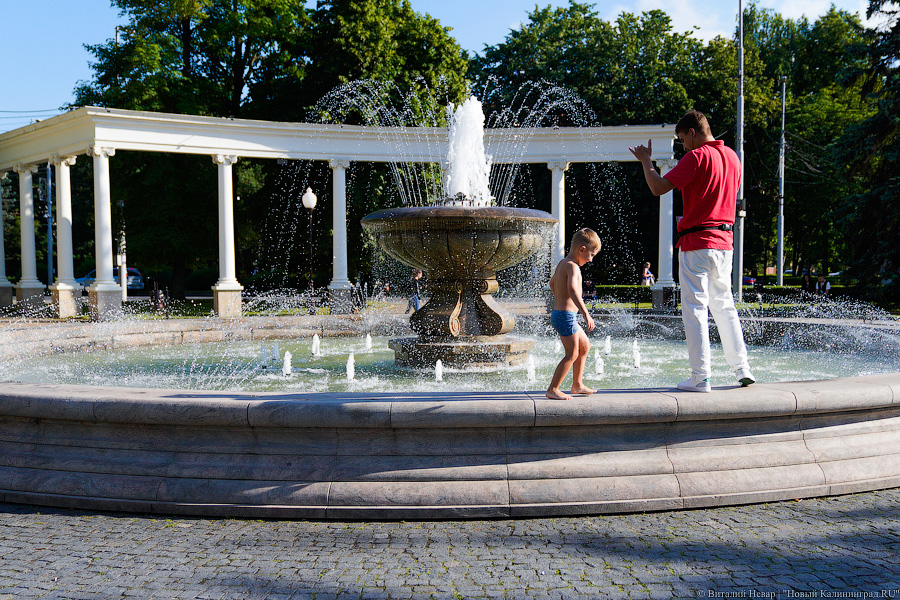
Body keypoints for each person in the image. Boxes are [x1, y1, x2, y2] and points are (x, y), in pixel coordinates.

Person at [629, 109, 755, 392]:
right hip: (725, 244)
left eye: (682, 139)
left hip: (697, 243)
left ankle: (700, 378)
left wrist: (646, 161)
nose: (682, 146)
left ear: (692, 133)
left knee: (695, 310)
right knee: (725, 307)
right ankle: (742, 368)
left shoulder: (696, 156)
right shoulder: (734, 158)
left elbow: (659, 188)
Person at [546, 228, 601, 400]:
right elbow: (573, 290)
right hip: (566, 316)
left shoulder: (563, 263)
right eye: (591, 255)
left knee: (585, 347)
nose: (591, 260)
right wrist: (586, 314)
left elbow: (551, 283)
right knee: (572, 354)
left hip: (561, 314)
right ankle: (553, 389)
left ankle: (577, 385)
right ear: (582, 249)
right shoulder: (574, 267)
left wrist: (560, 300)